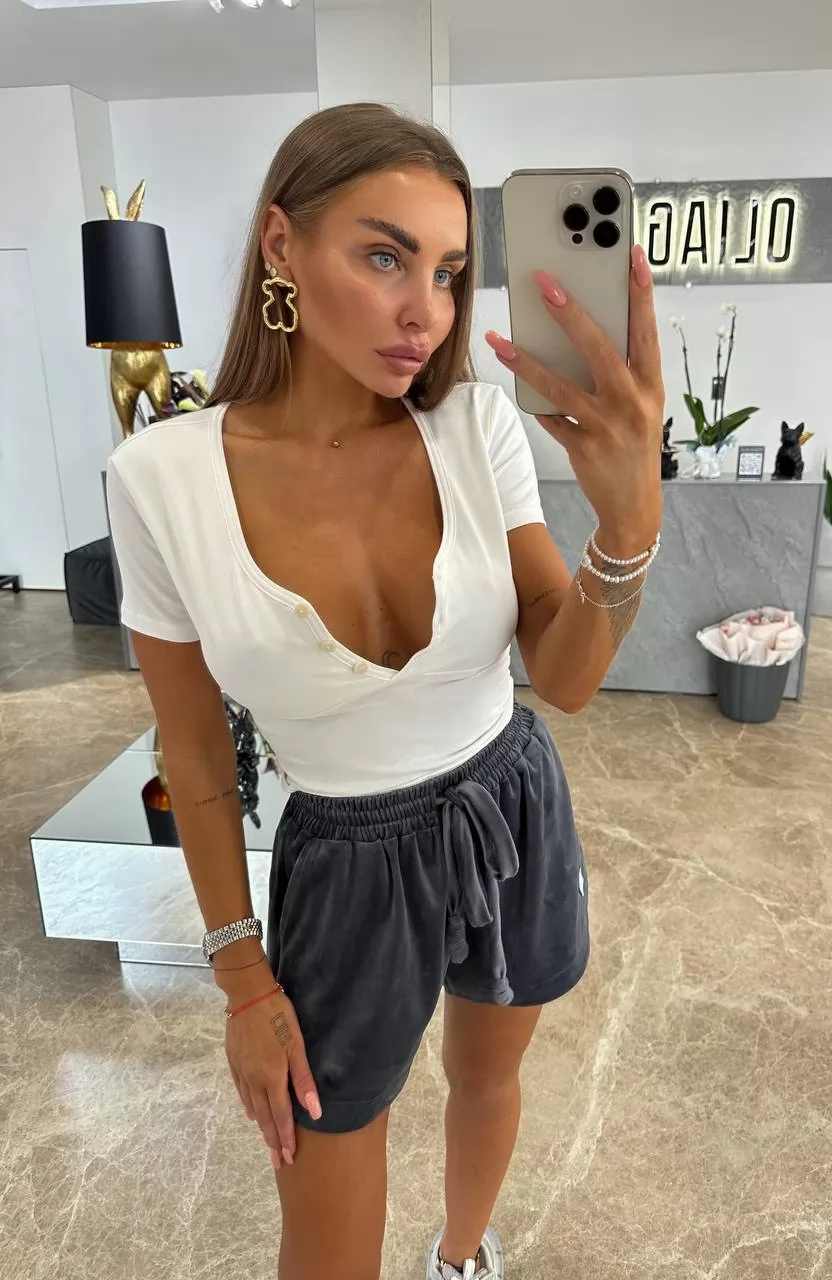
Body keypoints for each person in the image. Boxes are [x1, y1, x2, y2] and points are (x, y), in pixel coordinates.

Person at [105, 102, 664, 1280]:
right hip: (343, 861)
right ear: (281, 244)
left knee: (487, 1076)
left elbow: (563, 678)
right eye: (383, 257)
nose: (427, 311)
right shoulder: (161, 478)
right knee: (324, 1194)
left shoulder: (472, 426)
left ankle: (460, 1256)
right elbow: (193, 754)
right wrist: (240, 976)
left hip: (508, 798)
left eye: (449, 271)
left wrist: (628, 523)